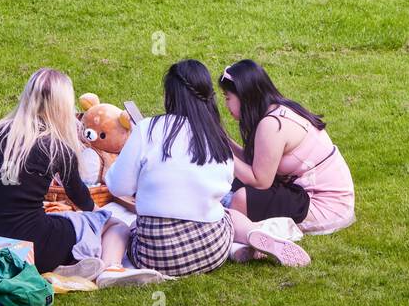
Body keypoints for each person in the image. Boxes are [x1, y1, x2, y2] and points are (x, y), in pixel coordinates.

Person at [106, 59, 311, 275]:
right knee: (227, 215)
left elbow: (118, 187)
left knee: (117, 225)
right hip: (211, 251)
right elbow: (222, 188)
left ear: (170, 96)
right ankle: (247, 238)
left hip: (155, 256)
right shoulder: (215, 136)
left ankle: (111, 268)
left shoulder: (147, 128)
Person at [0, 68, 158, 286]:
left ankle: (67, 267)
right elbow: (84, 201)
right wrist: (102, 217)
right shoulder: (55, 145)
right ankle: (110, 268)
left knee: (64, 222)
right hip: (40, 245)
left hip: (3, 245)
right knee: (116, 225)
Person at [219, 60, 355, 255]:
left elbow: (261, 180)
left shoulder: (272, 125)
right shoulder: (277, 110)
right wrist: (223, 139)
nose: (226, 105)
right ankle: (250, 237)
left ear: (243, 96)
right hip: (311, 194)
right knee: (234, 184)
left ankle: (244, 241)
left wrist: (225, 154)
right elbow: (255, 163)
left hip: (323, 206)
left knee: (241, 198)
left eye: (227, 97)